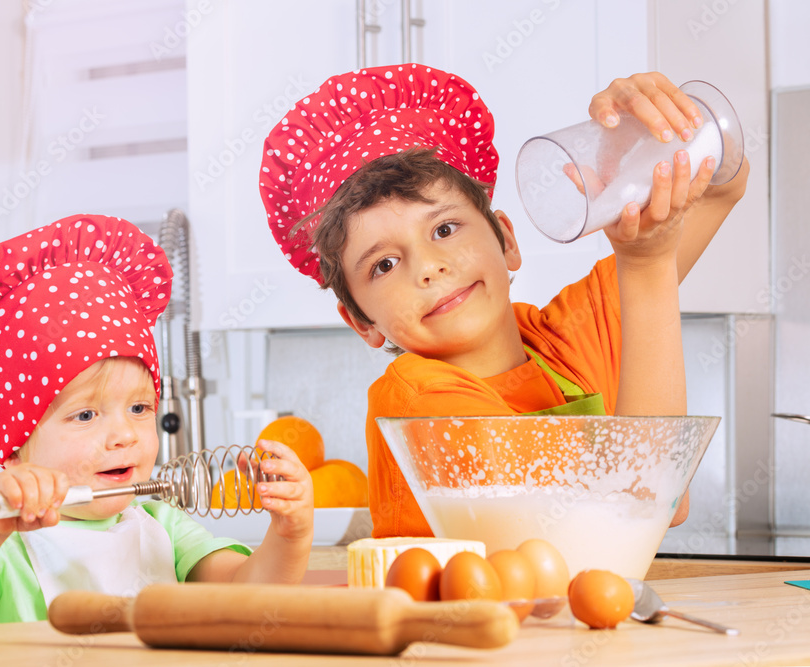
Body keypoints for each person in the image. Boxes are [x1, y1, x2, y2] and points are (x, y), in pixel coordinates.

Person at [259, 64, 748, 538]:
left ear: (506, 241)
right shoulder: (420, 401)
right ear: (362, 321)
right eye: (383, 265)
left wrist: (651, 138)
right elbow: (637, 505)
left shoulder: (560, 342)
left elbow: (722, 179)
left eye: (444, 229)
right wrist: (645, 264)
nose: (428, 267)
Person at [0, 215, 313, 628]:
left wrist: (289, 536)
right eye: (85, 414)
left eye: (139, 408)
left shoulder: (163, 527)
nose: (124, 435)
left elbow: (248, 602)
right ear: (15, 449)